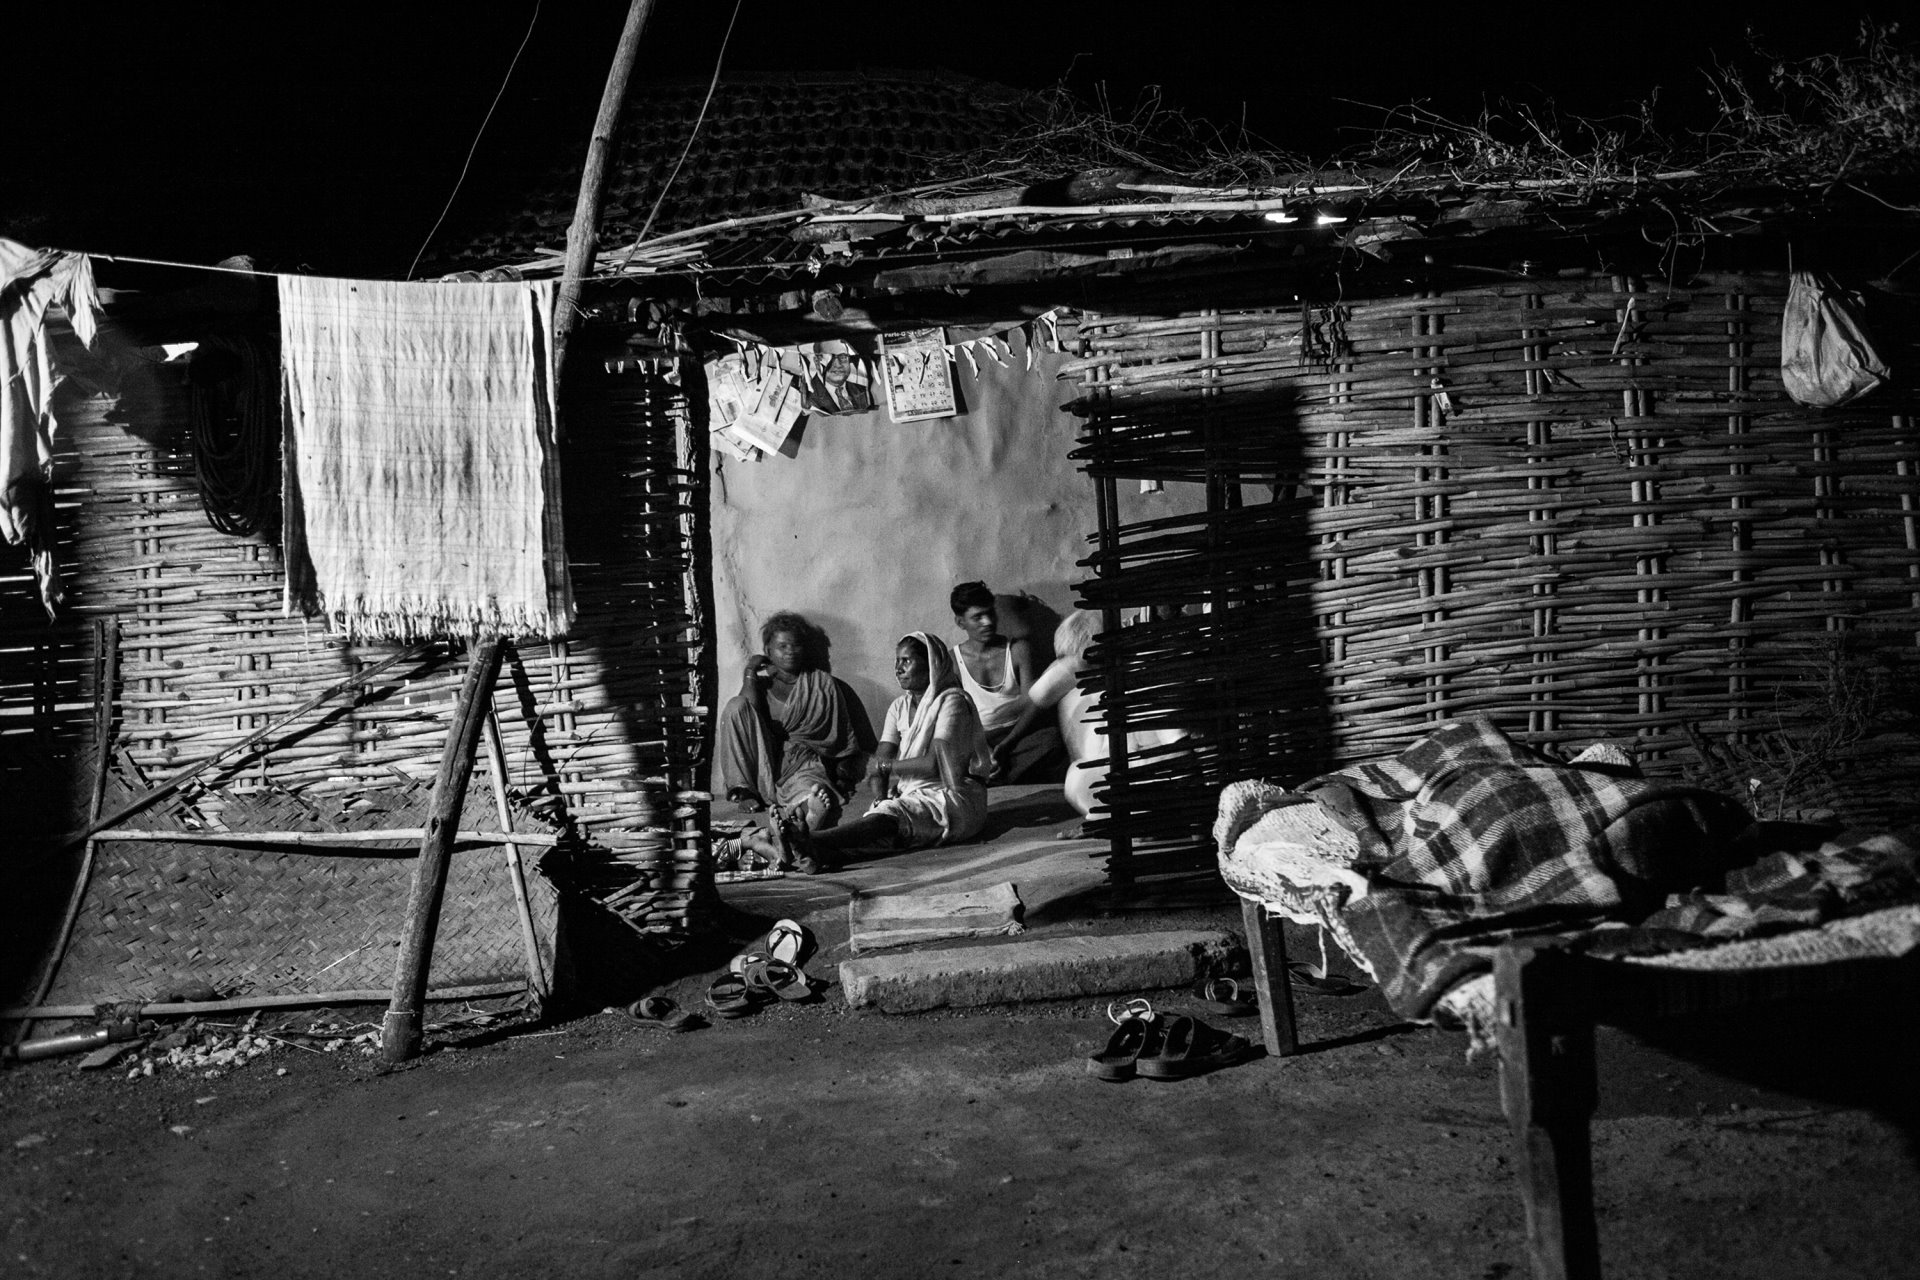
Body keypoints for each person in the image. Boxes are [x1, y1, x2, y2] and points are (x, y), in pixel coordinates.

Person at [764, 632, 992, 872]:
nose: (898, 668)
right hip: (915, 793)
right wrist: (880, 795)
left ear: (931, 665)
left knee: (892, 816)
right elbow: (880, 761)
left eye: (907, 661)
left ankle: (809, 841)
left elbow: (933, 765)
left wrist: (885, 770)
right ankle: (815, 853)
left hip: (955, 798)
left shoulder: (951, 702)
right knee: (887, 824)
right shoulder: (899, 707)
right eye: (897, 661)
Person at [714, 611, 876, 831]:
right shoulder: (762, 685)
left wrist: (841, 776)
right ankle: (744, 791)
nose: (789, 652)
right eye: (782, 647)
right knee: (735, 706)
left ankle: (806, 817)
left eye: (796, 645)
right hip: (765, 761)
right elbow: (744, 712)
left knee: (813, 791)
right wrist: (750, 671)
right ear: (768, 651)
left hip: (803, 762)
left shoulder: (821, 684)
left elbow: (837, 743)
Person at [1023, 609, 1188, 820]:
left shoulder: (1137, 680)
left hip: (1154, 772)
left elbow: (1177, 748)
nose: (1066, 669)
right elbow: (1041, 694)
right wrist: (1071, 664)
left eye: (1075, 663)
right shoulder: (1081, 678)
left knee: (1079, 776)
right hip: (1121, 769)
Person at [949, 580, 1064, 784]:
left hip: (1018, 736)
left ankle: (995, 776)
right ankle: (1002, 773)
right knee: (951, 757)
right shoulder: (953, 661)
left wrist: (1007, 744)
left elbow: (1033, 704)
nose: (988, 622)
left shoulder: (1018, 650)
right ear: (961, 623)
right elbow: (956, 718)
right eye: (978, 617)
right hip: (980, 741)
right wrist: (983, 748)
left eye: (990, 613)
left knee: (1051, 741)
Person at [803, 349, 873, 415]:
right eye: (831, 359)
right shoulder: (812, 399)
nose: (838, 365)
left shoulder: (860, 385)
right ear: (817, 362)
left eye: (843, 358)